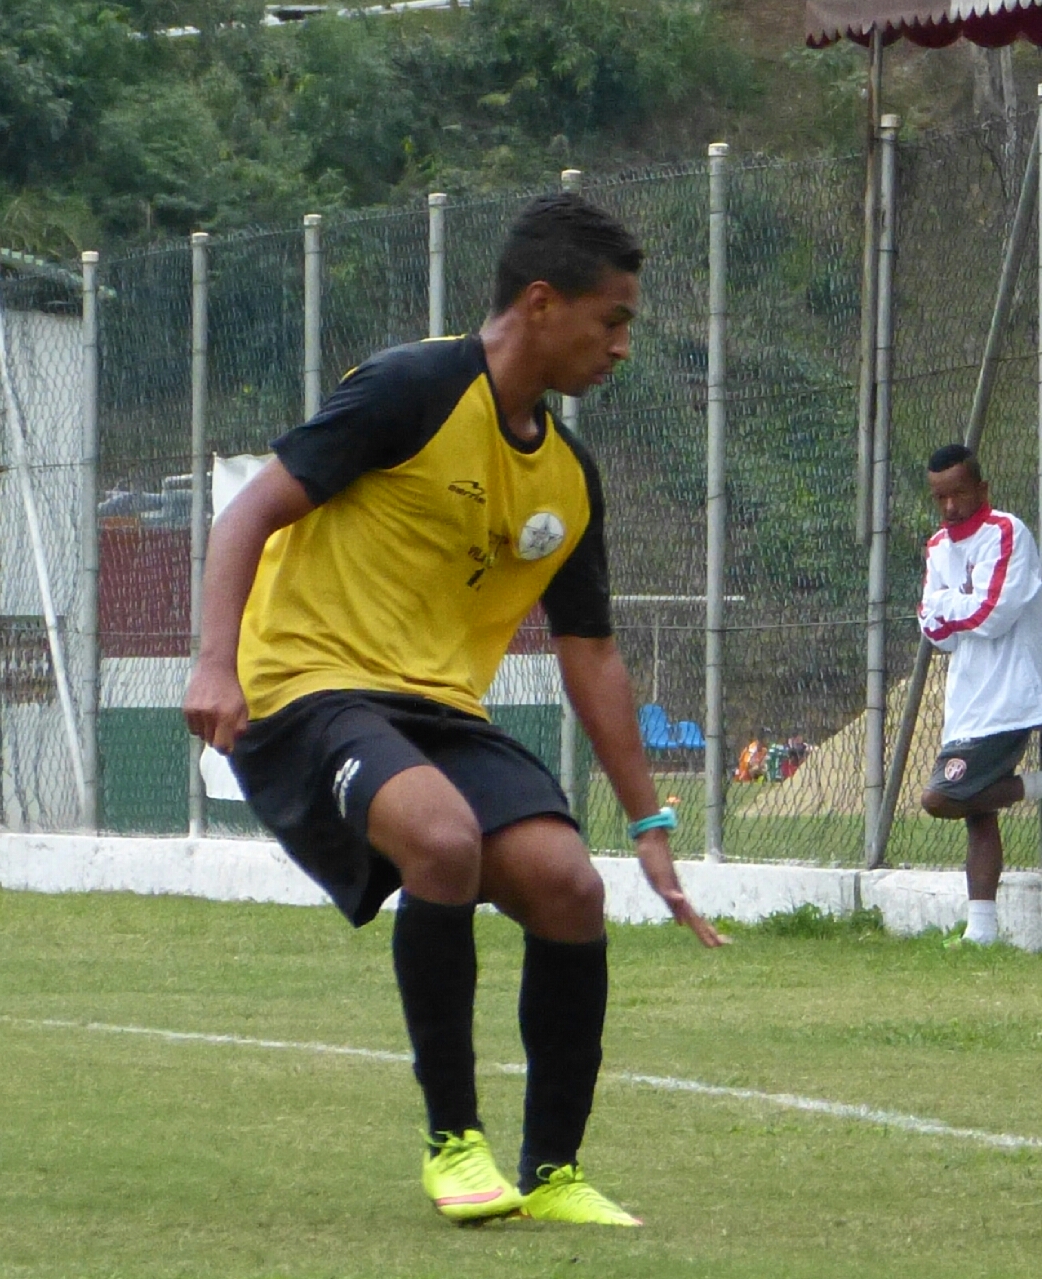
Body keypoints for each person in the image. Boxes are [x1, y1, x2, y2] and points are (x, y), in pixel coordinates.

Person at [182, 193, 725, 1229]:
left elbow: (594, 655)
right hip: (305, 685)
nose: (621, 346)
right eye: (610, 320)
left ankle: (554, 1170)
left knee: (567, 885)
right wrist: (216, 663)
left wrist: (651, 828)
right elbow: (251, 508)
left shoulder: (567, 475)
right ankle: (453, 1142)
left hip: (434, 711)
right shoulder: (412, 386)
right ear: (539, 301)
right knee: (442, 838)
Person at [916, 444, 1042, 946]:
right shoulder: (937, 548)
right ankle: (982, 932)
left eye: (959, 494)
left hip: (1009, 698)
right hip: (966, 702)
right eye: (940, 498)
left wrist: (945, 603)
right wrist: (948, 608)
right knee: (976, 812)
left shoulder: (1007, 533)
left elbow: (990, 617)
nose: (950, 508)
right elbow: (937, 634)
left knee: (941, 798)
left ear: (982, 490)